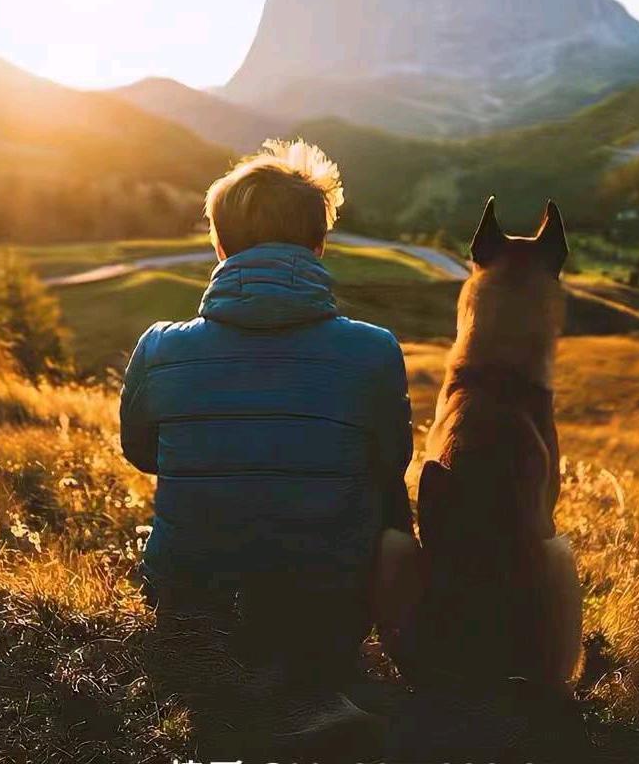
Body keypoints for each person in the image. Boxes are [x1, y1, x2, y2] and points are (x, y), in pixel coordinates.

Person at [120, 139, 421, 750]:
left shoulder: (158, 347)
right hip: (330, 609)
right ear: (318, 246)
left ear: (220, 245)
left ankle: (244, 694)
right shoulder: (374, 350)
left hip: (194, 601)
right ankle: (328, 684)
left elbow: (142, 454)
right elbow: (391, 462)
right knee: (384, 489)